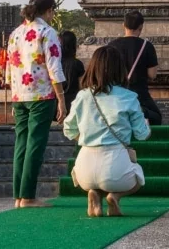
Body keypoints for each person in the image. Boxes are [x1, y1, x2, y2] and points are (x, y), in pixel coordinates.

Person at [63, 46, 151, 217]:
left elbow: (68, 129)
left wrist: (85, 136)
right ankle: (114, 196)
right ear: (120, 69)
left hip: (85, 167)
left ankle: (94, 193)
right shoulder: (128, 96)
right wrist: (146, 125)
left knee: (94, 178)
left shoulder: (82, 96)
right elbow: (142, 134)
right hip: (115, 163)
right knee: (138, 178)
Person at [5, 0, 67, 208]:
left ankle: (19, 196)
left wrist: (13, 94)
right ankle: (28, 196)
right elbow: (54, 69)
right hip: (42, 95)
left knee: (21, 144)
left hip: (19, 94)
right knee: (35, 145)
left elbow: (9, 68)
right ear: (49, 10)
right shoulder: (47, 32)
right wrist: (62, 100)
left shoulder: (16, 33)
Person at [108, 11, 163, 125]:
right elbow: (152, 75)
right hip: (139, 95)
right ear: (141, 26)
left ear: (124, 25)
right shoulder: (146, 46)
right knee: (156, 117)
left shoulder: (111, 46)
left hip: (116, 95)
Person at [60, 30, 85, 112]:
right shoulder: (77, 64)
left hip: (56, 102)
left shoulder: (54, 63)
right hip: (73, 103)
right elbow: (82, 86)